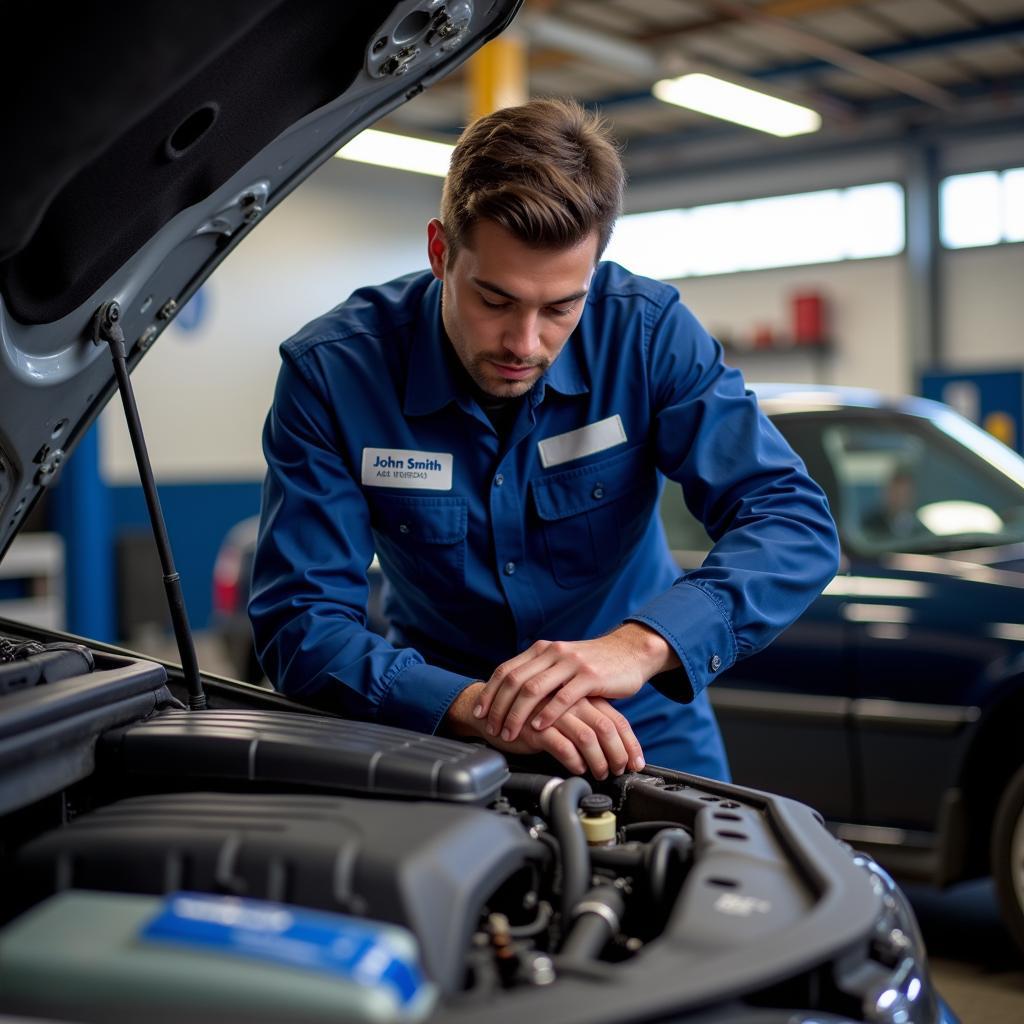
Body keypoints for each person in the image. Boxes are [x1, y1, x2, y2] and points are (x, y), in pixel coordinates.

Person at [249, 98, 840, 782]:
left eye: (561, 307)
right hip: (437, 723)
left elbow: (791, 519)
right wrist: (479, 706)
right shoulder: (335, 373)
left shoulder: (645, 336)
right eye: (495, 301)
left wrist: (642, 644)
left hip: (637, 722)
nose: (524, 344)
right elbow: (300, 621)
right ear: (442, 252)